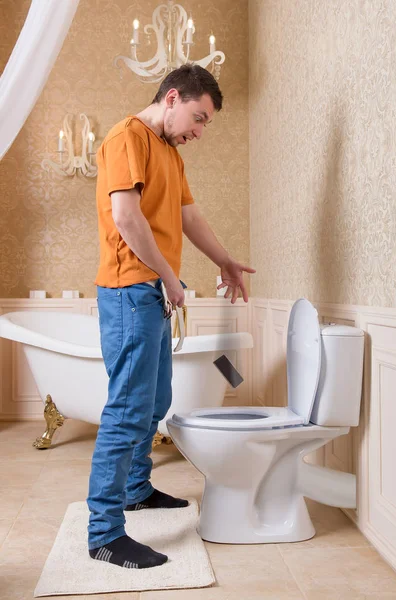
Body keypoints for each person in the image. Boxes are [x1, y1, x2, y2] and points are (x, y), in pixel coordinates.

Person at [87, 64, 256, 570]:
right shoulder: (126, 138)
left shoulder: (169, 152)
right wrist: (169, 276)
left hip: (152, 293)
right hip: (128, 290)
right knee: (127, 410)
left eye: (206, 125)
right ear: (173, 97)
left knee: (155, 399)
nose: (199, 132)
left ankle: (136, 490)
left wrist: (223, 260)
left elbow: (189, 216)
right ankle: (103, 533)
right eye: (198, 118)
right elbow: (126, 217)